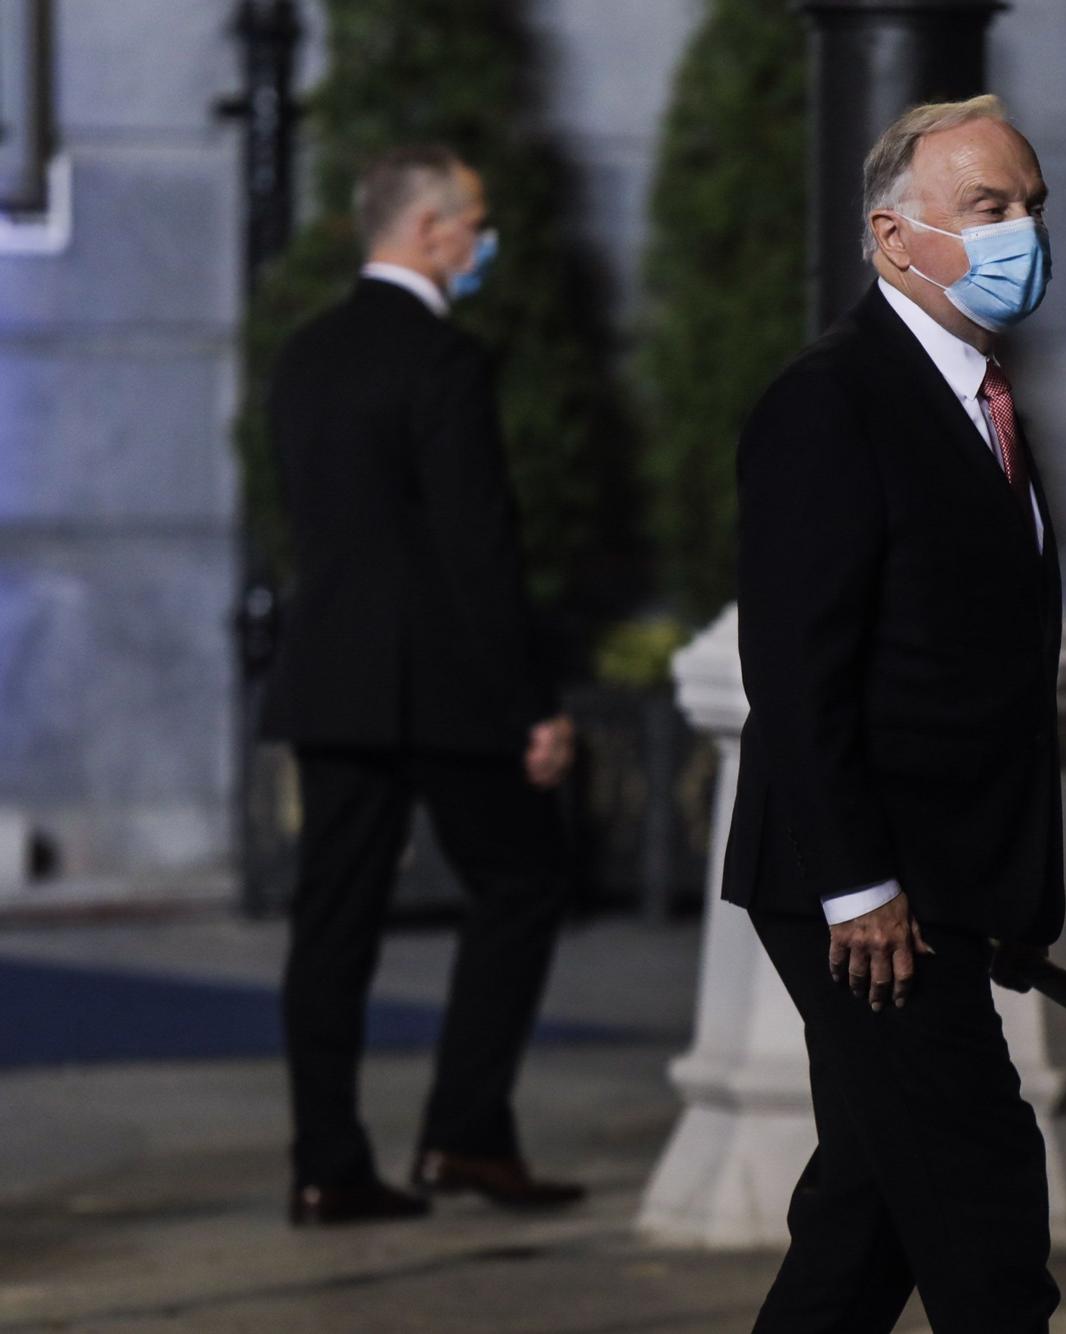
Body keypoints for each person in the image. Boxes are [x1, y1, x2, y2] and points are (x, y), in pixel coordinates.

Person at [723, 95, 1064, 1333]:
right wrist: (859, 884)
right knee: (984, 1218)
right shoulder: (832, 400)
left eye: (1030, 206)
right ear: (892, 234)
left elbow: (994, 676)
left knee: (865, 1222)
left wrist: (1016, 897)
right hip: (869, 891)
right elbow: (797, 673)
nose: (1021, 231)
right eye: (987, 209)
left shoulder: (987, 401)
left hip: (950, 879)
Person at [262, 145, 585, 1226]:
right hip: (440, 684)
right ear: (430, 231)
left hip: (331, 676)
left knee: (332, 919)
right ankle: (463, 1133)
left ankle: (326, 1164)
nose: (484, 242)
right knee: (526, 875)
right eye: (475, 221)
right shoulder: (443, 360)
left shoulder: (303, 353)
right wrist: (532, 701)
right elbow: (476, 546)